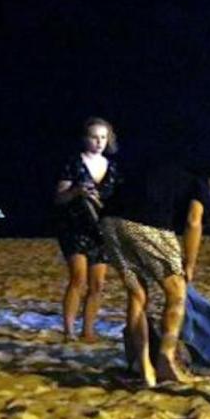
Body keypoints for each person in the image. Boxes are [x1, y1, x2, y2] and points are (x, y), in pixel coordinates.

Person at [100, 159, 210, 386]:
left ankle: (144, 367)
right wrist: (190, 263)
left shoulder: (162, 170)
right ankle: (166, 358)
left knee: (137, 295)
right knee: (177, 292)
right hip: (147, 225)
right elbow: (194, 222)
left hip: (110, 221)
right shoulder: (199, 181)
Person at [53, 117, 120, 343]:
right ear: (85, 139)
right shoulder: (74, 162)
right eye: (94, 137)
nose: (99, 141)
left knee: (98, 284)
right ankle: (69, 330)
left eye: (103, 137)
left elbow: (116, 200)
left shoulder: (112, 168)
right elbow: (59, 198)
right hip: (74, 228)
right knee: (78, 279)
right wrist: (76, 191)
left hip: (101, 230)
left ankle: (88, 329)